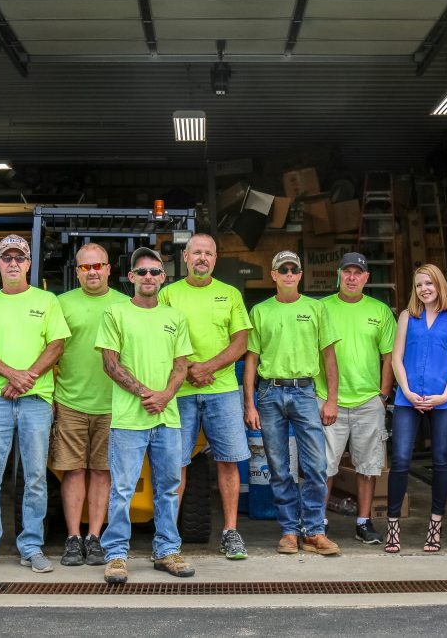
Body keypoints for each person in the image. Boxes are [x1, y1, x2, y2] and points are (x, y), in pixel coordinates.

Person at [0, 235, 70, 575]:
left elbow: (56, 345)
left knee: (36, 477)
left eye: (19, 258)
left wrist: (29, 377)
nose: (13, 263)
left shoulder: (47, 300)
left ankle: (31, 546)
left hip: (36, 402)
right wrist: (14, 375)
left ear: (28, 264)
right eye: (6, 258)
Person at [96, 247, 194, 584]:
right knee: (122, 489)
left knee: (168, 488)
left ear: (164, 277)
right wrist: (144, 394)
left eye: (155, 272)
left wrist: (164, 396)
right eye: (143, 272)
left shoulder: (174, 317)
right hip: (129, 418)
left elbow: (182, 365)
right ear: (131, 277)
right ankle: (117, 555)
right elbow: (109, 363)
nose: (149, 277)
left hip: (167, 417)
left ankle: (167, 550)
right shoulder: (115, 313)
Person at [159, 233, 252, 560]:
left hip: (222, 391)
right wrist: (188, 370)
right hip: (179, 392)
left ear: (215, 258)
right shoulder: (167, 294)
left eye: (208, 253)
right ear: (185, 257)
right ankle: (169, 538)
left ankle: (230, 531)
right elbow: (161, 340)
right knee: (176, 463)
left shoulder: (229, 295)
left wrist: (207, 367)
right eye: (196, 252)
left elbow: (240, 342)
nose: (202, 258)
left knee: (228, 460)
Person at [243, 250, 342, 556]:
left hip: (304, 392)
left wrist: (332, 400)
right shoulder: (260, 311)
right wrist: (249, 402)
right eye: (282, 269)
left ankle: (313, 532)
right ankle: (288, 530)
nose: (288, 273)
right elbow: (252, 359)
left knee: (315, 465)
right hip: (269, 392)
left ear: (301, 275)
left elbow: (329, 356)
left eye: (293, 269)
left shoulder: (316, 308)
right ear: (273, 274)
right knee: (278, 466)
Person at [52, 243, 129, 567]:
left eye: (98, 266)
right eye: (86, 267)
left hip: (113, 403)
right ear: (77, 270)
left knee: (102, 472)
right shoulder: (61, 304)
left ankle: (95, 537)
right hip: (70, 400)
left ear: (109, 269)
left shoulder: (126, 305)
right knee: (72, 471)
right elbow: (51, 351)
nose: (93, 272)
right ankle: (73, 537)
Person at [385, 263, 447, 554]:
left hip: (444, 400)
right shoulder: (408, 316)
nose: (424, 289)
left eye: (429, 283)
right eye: (419, 285)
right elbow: (396, 358)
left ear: (439, 285)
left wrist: (445, 395)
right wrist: (405, 391)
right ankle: (392, 527)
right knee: (401, 459)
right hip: (408, 399)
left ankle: (435, 527)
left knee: (442, 460)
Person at [317, 252, 396, 545]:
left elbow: (389, 357)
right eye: (347, 272)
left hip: (368, 401)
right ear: (339, 274)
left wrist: (383, 396)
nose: (352, 277)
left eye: (358, 272)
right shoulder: (321, 308)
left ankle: (364, 522)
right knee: (324, 466)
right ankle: (318, 523)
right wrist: (325, 397)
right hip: (328, 399)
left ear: (366, 278)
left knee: (368, 465)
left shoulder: (380, 311)